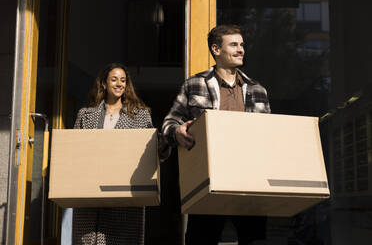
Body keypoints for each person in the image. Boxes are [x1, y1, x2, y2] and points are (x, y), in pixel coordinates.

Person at [161, 25, 270, 244]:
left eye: (242, 45)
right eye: (234, 45)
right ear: (216, 49)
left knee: (254, 240)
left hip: (249, 181)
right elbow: (168, 123)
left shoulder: (258, 90)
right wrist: (177, 131)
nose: (241, 50)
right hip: (208, 180)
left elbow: (268, 136)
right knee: (201, 240)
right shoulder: (194, 85)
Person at [73, 62, 153, 245]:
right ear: (103, 83)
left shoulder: (140, 115)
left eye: (123, 80)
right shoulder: (85, 115)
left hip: (124, 194)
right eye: (114, 79)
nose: (119, 84)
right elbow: (75, 152)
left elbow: (150, 152)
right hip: (91, 196)